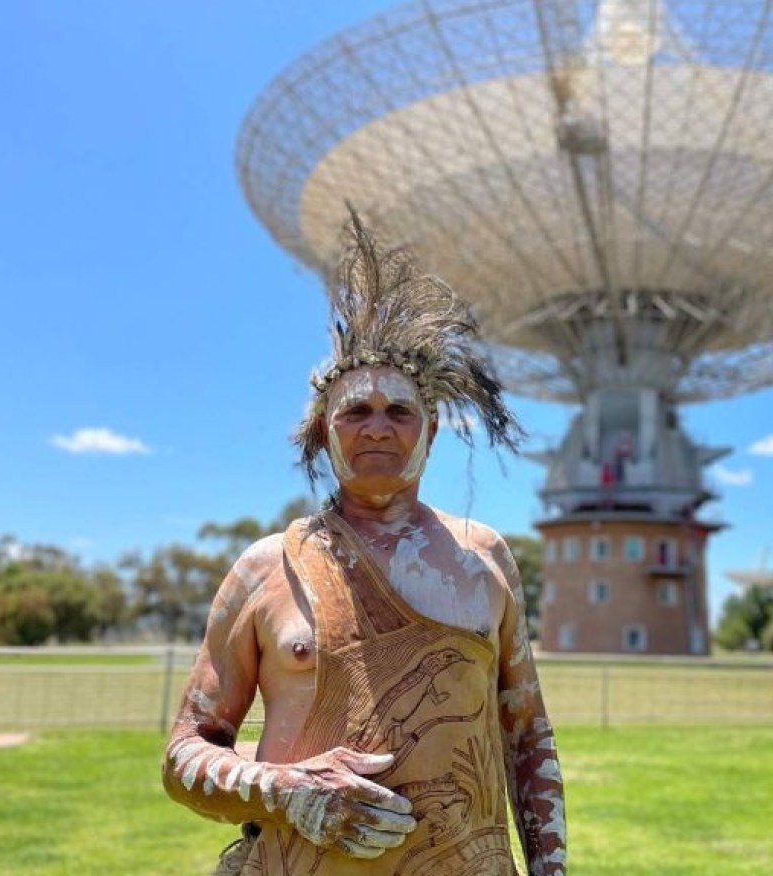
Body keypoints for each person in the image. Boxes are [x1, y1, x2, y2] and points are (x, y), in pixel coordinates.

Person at [162, 213, 566, 875]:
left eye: (398, 411)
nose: (377, 428)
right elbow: (185, 755)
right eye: (355, 412)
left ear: (430, 431)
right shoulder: (267, 569)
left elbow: (527, 739)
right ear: (323, 432)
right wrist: (290, 792)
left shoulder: (483, 560)